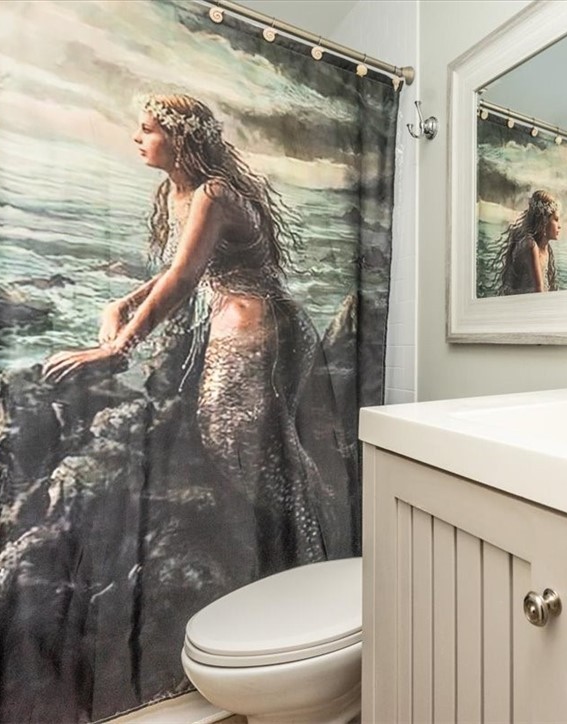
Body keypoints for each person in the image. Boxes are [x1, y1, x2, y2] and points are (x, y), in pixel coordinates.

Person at [42, 93, 347, 575]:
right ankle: (310, 544)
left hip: (265, 331)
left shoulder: (213, 195)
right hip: (249, 325)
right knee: (262, 444)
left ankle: (305, 548)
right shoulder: (177, 192)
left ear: (179, 139)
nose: (137, 138)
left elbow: (183, 280)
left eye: (148, 129)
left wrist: (120, 347)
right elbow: (180, 267)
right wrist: (121, 303)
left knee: (241, 441)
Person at [494, 189, 560, 295]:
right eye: (556, 220)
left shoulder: (545, 247)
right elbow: (539, 290)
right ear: (544, 221)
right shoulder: (531, 245)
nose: (559, 226)